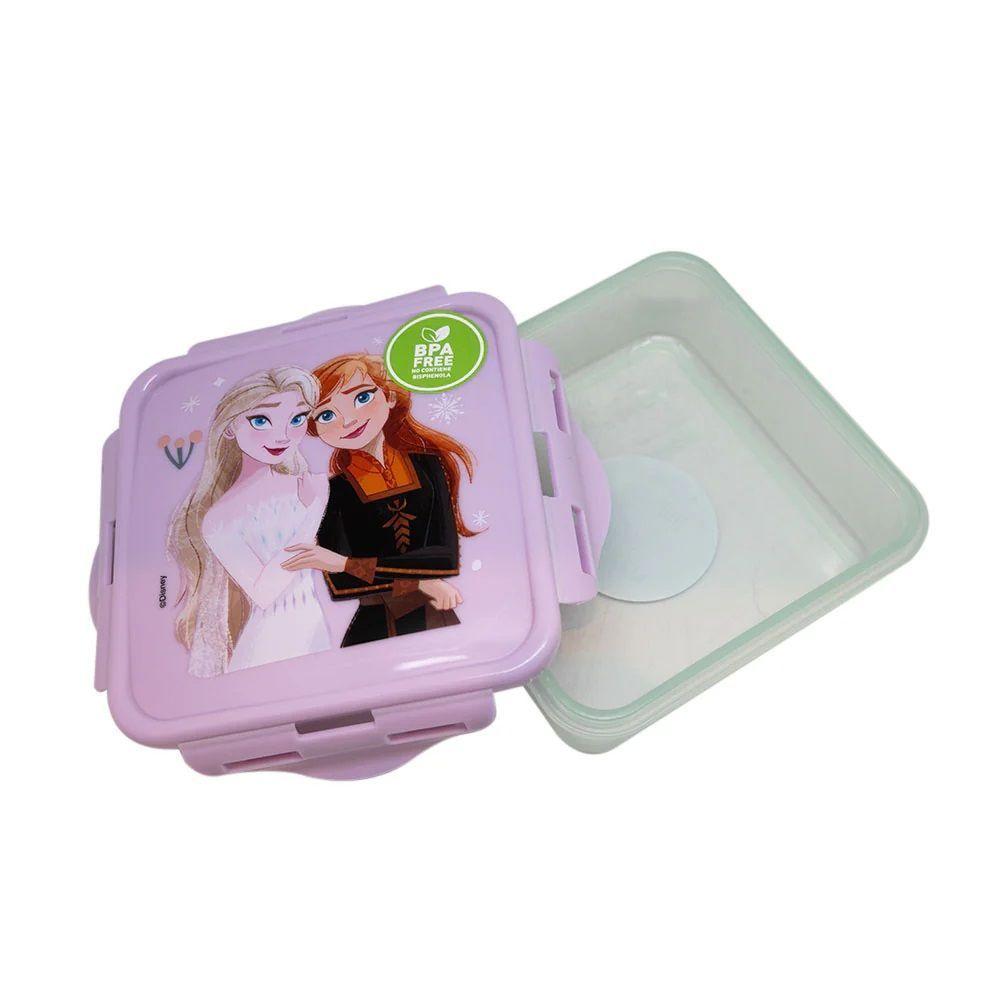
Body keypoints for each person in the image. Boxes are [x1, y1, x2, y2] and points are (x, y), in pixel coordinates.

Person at [281, 353, 476, 646]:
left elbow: (443, 557)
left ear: (390, 397)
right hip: (375, 625)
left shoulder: (428, 465)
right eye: (327, 415)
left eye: (361, 398)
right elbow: (343, 584)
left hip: (434, 614)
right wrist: (421, 580)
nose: (348, 420)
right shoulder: (333, 490)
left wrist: (347, 563)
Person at [168, 367, 332, 675]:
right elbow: (264, 592)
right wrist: (313, 512)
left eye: (297, 419)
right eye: (261, 420)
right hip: (269, 646)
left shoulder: (311, 484)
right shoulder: (219, 518)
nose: (282, 435)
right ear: (230, 427)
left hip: (318, 628)